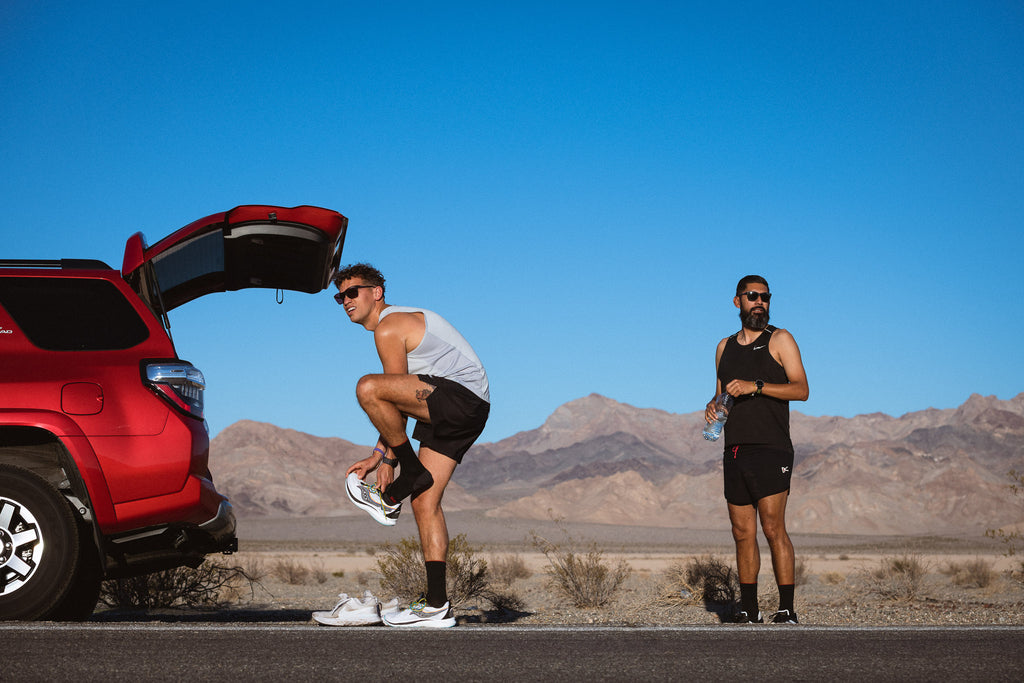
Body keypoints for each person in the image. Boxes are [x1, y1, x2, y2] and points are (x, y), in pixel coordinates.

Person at [333, 263, 490, 628]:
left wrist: (380, 458)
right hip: (457, 410)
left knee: (367, 387)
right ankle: (436, 604)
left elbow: (388, 395)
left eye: (352, 292)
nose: (345, 301)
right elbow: (399, 402)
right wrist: (387, 460)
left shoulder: (389, 325)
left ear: (377, 292)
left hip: (457, 399)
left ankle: (406, 480)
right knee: (424, 501)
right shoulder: (392, 324)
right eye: (339, 297)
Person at [705, 275, 809, 624]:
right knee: (741, 531)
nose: (759, 303)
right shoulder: (724, 348)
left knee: (772, 527)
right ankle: (749, 607)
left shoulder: (780, 339)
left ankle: (787, 608)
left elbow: (801, 389)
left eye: (765, 297)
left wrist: (757, 386)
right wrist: (712, 406)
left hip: (771, 447)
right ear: (738, 302)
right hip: (734, 448)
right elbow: (722, 394)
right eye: (752, 296)